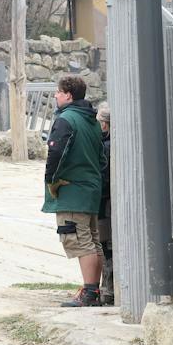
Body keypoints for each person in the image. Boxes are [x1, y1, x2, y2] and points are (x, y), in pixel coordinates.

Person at [43, 74, 104, 307]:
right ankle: (94, 290)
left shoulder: (66, 119)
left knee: (78, 240)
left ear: (68, 95)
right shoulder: (93, 121)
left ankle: (89, 293)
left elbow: (56, 153)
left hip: (72, 191)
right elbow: (101, 159)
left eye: (58, 92)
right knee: (92, 240)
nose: (56, 96)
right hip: (91, 190)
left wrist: (52, 181)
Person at [97, 101, 114, 306]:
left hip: (105, 205)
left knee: (106, 246)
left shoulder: (105, 147)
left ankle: (108, 289)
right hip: (108, 203)